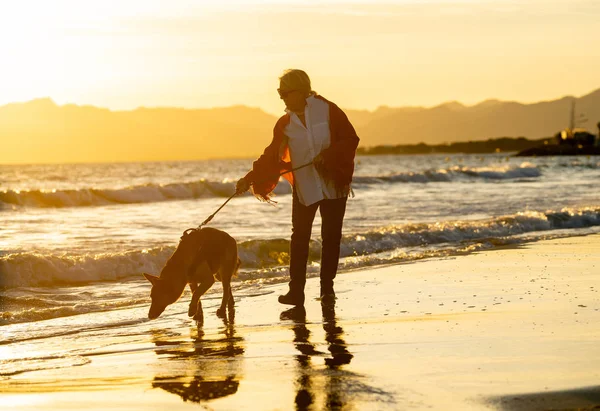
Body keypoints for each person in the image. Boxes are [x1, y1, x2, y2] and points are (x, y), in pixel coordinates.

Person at [236, 69, 359, 306]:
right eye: (279, 93)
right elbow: (271, 156)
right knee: (299, 238)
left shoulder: (328, 109)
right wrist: (249, 178)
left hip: (333, 185)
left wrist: (329, 155)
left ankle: (327, 290)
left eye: (285, 92)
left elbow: (351, 139)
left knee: (331, 237)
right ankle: (296, 292)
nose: (281, 98)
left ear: (302, 90)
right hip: (305, 187)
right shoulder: (285, 123)